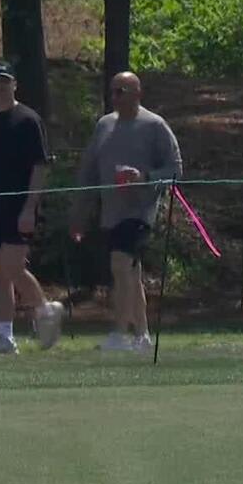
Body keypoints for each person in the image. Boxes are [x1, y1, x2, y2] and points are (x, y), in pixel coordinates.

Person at [70, 72, 184, 354]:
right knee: (130, 273)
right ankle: (142, 335)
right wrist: (79, 211)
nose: (115, 97)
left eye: (121, 91)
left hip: (140, 210)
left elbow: (175, 169)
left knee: (120, 264)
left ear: (137, 93)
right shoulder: (104, 126)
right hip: (111, 211)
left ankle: (119, 334)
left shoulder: (154, 125)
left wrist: (144, 176)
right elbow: (88, 171)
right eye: (112, 91)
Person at [0, 62, 63, 354]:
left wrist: (29, 207)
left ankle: (45, 310)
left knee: (12, 267)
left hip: (18, 205)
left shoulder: (27, 120)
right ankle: (5, 336)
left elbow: (39, 167)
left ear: (14, 85)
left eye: (4, 81)